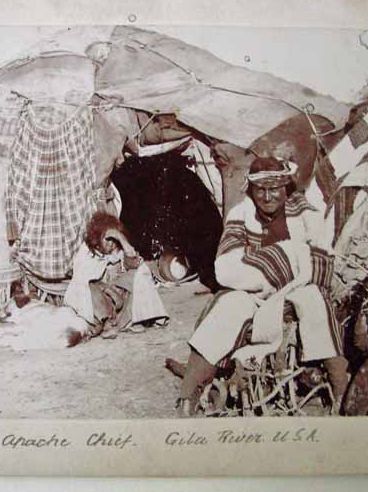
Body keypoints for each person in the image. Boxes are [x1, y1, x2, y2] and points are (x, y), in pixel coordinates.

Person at [168, 156, 350, 416]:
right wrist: (285, 259)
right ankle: (190, 391)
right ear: (251, 189)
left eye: (274, 188)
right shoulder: (241, 213)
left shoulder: (305, 212)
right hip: (253, 292)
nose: (267, 196)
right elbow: (226, 268)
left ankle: (338, 384)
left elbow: (321, 258)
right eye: (260, 189)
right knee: (230, 305)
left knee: (313, 299)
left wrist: (271, 262)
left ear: (285, 187)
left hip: (296, 289)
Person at [63, 212, 169, 337]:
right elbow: (83, 280)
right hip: (93, 299)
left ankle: (131, 320)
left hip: (114, 297)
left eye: (114, 241)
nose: (111, 244)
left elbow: (134, 261)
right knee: (90, 289)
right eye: (107, 239)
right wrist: (107, 288)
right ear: (97, 237)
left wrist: (120, 237)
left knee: (140, 270)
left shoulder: (115, 252)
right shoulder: (86, 252)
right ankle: (108, 324)